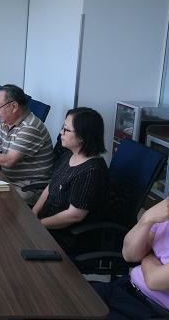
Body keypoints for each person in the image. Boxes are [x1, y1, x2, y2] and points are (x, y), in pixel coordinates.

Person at [92, 135, 169, 320]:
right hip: (128, 289)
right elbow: (130, 255)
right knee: (63, 298)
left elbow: (155, 281)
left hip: (159, 311)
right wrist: (147, 218)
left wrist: (148, 256)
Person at [31, 107, 109, 253]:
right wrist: (33, 213)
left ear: (83, 136)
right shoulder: (69, 154)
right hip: (46, 222)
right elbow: (51, 185)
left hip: (65, 236)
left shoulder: (91, 172)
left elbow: (74, 215)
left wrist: (39, 224)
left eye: (66, 130)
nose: (61, 132)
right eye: (63, 127)